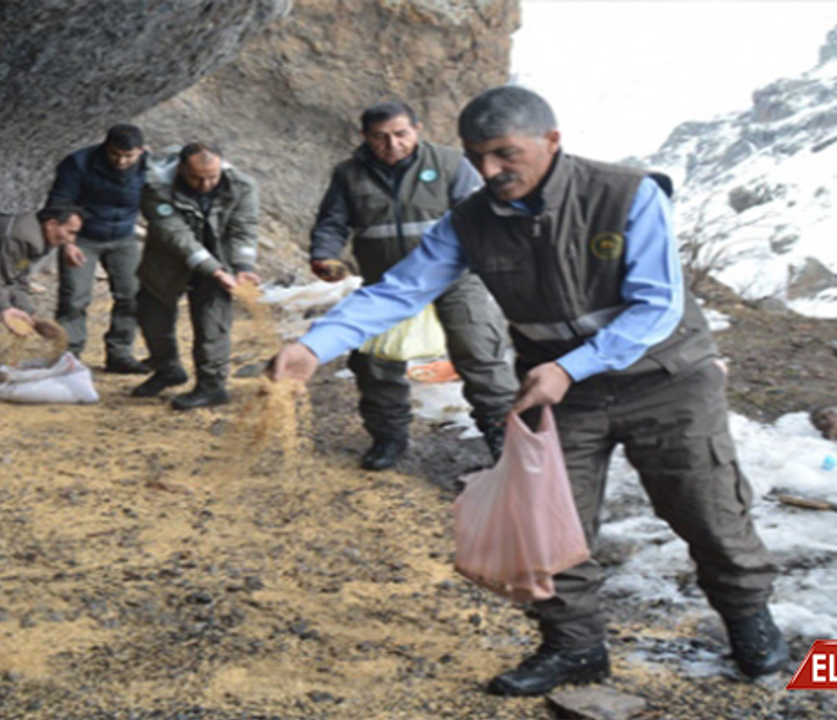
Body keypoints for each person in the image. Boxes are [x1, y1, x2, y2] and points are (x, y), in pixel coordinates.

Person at [267, 86, 786, 695]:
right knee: (549, 521)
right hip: (558, 391)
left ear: (552, 142)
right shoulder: (470, 221)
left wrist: (573, 366)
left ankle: (748, 619)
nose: (489, 171)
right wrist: (313, 346)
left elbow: (657, 307)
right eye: (476, 156)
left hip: (665, 380)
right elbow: (399, 290)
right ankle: (574, 646)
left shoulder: (626, 194)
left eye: (505, 154)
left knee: (708, 509)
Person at [310, 101, 517, 470]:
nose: (392, 144)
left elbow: (481, 216)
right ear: (364, 137)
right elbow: (332, 222)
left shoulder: (452, 164)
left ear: (417, 130)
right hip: (387, 285)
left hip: (455, 278)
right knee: (373, 362)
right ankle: (388, 436)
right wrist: (324, 254)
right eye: (380, 137)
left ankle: (504, 437)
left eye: (401, 134)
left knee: (479, 350)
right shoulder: (348, 174)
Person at [132, 142, 259, 410]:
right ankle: (167, 368)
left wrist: (243, 266)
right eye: (196, 178)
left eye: (212, 177)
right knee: (153, 319)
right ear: (180, 169)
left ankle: (212, 386)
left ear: (221, 167)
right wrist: (212, 268)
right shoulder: (156, 187)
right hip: (168, 263)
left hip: (220, 265)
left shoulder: (241, 185)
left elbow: (244, 228)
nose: (205, 185)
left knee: (213, 326)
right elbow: (175, 235)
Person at [48, 124, 150, 374]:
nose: (121, 161)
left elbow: (162, 202)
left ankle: (120, 353)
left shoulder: (152, 167)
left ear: (141, 151)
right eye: (115, 154)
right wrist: (68, 243)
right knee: (74, 298)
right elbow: (61, 202)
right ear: (106, 147)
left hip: (124, 237)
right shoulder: (79, 163)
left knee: (132, 295)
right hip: (83, 237)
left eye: (129, 156)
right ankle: (68, 357)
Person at [0, 204, 86, 399]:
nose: (70, 240)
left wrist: (33, 319)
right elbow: (0, 278)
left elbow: (16, 279)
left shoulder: (36, 238)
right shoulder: (20, 237)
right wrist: (8, 309)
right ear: (51, 224)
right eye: (70, 232)